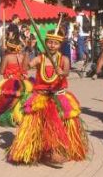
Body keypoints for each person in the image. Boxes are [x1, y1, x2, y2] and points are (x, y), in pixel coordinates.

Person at [8, 29, 88, 165]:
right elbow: (25, 67)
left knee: (63, 122)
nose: (52, 45)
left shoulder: (64, 59)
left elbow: (66, 73)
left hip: (58, 95)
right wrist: (28, 49)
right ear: (45, 43)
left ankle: (58, 150)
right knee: (39, 124)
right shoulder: (40, 58)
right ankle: (42, 152)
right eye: (50, 42)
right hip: (41, 96)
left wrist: (61, 72)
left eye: (55, 43)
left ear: (60, 45)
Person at [0, 38, 32, 127]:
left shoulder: (7, 57)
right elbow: (26, 69)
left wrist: (3, 70)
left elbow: (1, 71)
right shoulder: (23, 56)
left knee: (2, 98)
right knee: (22, 98)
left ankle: (4, 115)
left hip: (11, 81)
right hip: (23, 81)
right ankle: (19, 116)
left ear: (9, 48)